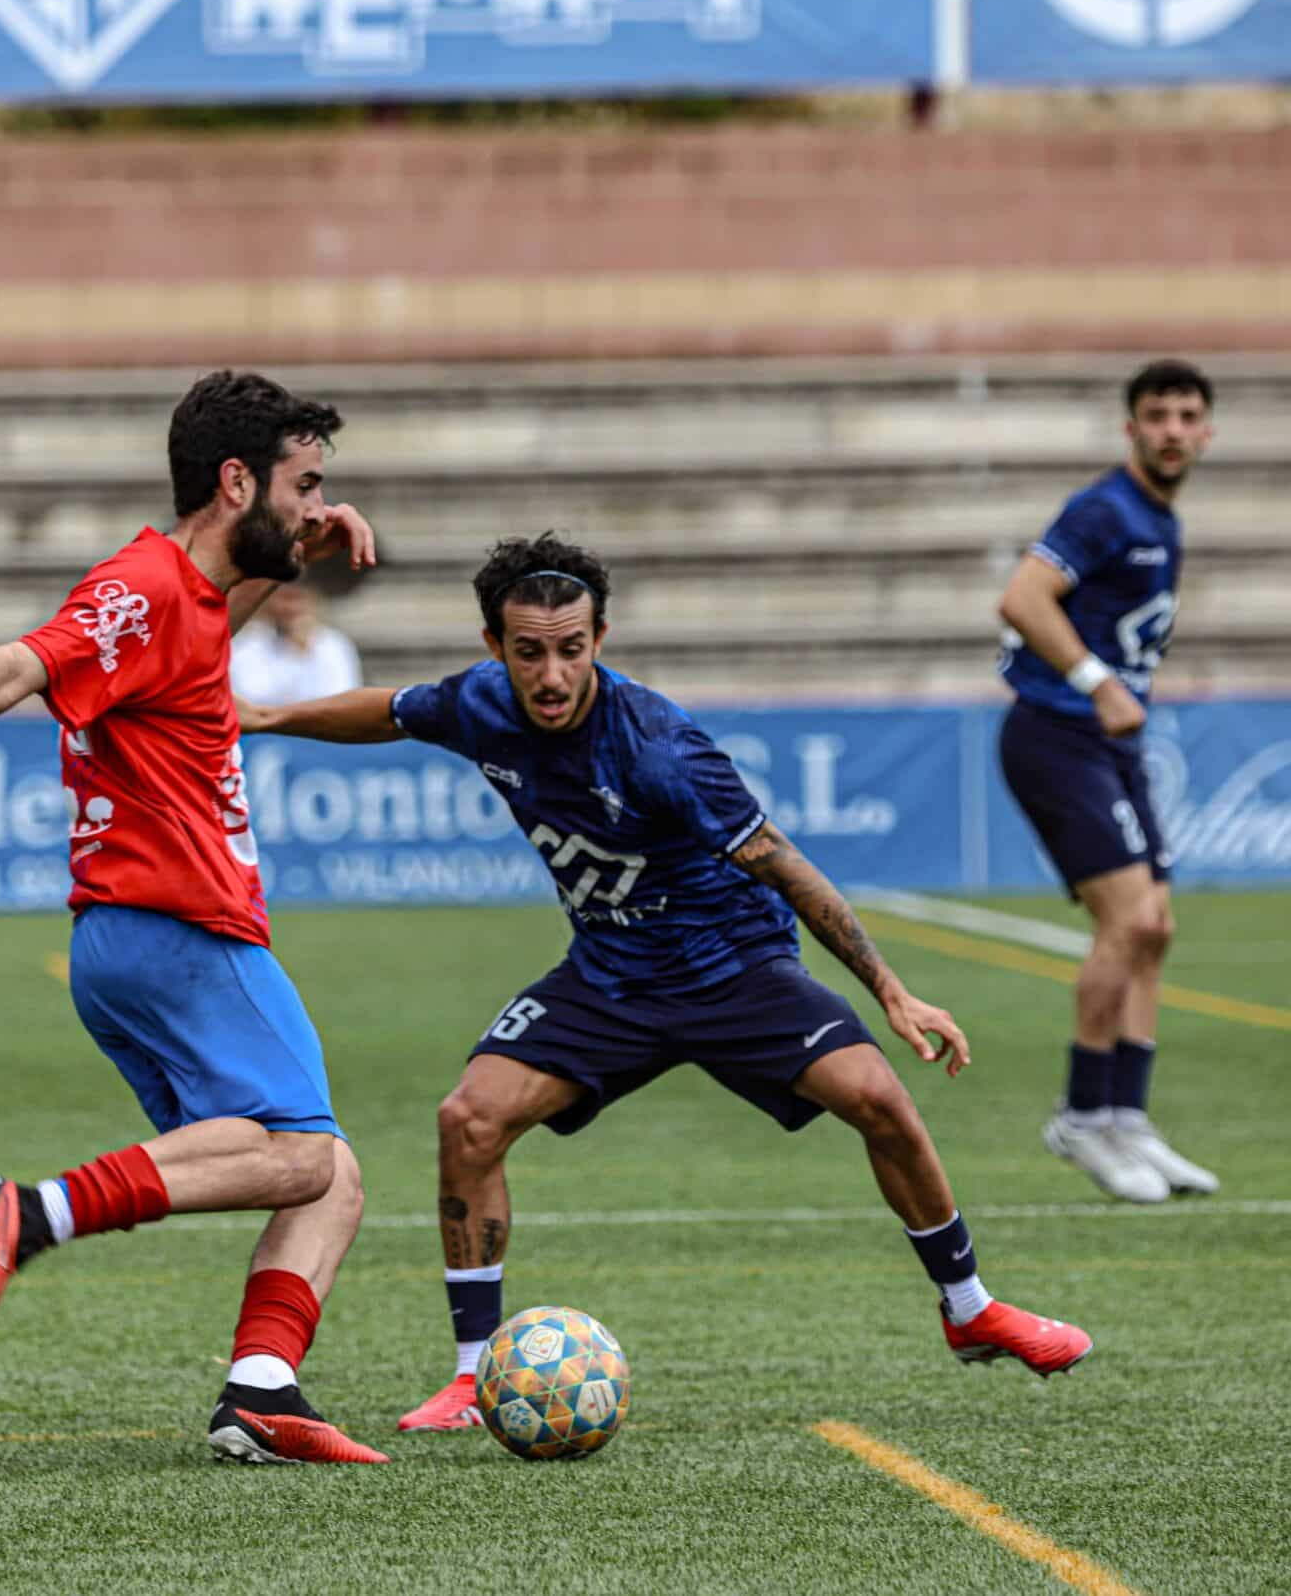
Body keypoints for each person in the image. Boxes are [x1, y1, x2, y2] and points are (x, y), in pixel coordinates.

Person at [240, 533, 1094, 1435]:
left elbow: (785, 864)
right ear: (496, 647)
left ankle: (970, 1309)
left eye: (572, 649)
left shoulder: (658, 749)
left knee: (878, 1097)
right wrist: (266, 717)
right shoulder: (481, 702)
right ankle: (470, 1376)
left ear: (599, 640)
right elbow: (389, 712)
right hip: (609, 977)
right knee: (469, 1120)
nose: (552, 675)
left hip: (733, 968)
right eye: (529, 652)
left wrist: (891, 991)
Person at [0, 371, 390, 1466]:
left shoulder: (191, 600)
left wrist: (288, 554)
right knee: (304, 1154)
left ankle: (260, 1388)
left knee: (327, 1173)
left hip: (134, 940)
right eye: (303, 485)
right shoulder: (143, 585)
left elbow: (195, 629)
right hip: (180, 929)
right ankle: (32, 1211)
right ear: (236, 480)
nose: (319, 504)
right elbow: (25, 660)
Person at [993, 358, 1221, 1205]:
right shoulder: (1105, 509)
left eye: (1186, 416)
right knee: (1127, 922)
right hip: (1057, 736)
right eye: (1157, 415)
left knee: (1154, 929)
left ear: (1206, 432)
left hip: (1109, 744)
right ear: (1131, 429)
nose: (1172, 430)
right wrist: (1097, 682)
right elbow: (1024, 598)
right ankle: (1084, 1117)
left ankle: (1128, 1117)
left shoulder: (1160, 518)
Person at [231, 581, 363, 705]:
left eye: (297, 599)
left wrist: (302, 652)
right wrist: (294, 654)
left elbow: (342, 694)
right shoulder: (249, 643)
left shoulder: (334, 644)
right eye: (284, 599)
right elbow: (250, 696)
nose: (291, 608)